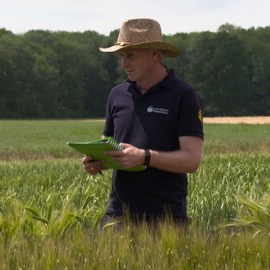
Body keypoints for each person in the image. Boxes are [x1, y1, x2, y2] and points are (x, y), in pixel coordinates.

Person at [82, 18, 204, 229]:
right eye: (122, 56)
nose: (124, 63)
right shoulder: (116, 95)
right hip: (117, 217)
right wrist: (96, 160)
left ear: (154, 53)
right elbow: (108, 142)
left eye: (131, 55)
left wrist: (144, 157)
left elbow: (191, 160)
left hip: (166, 221)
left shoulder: (183, 96)